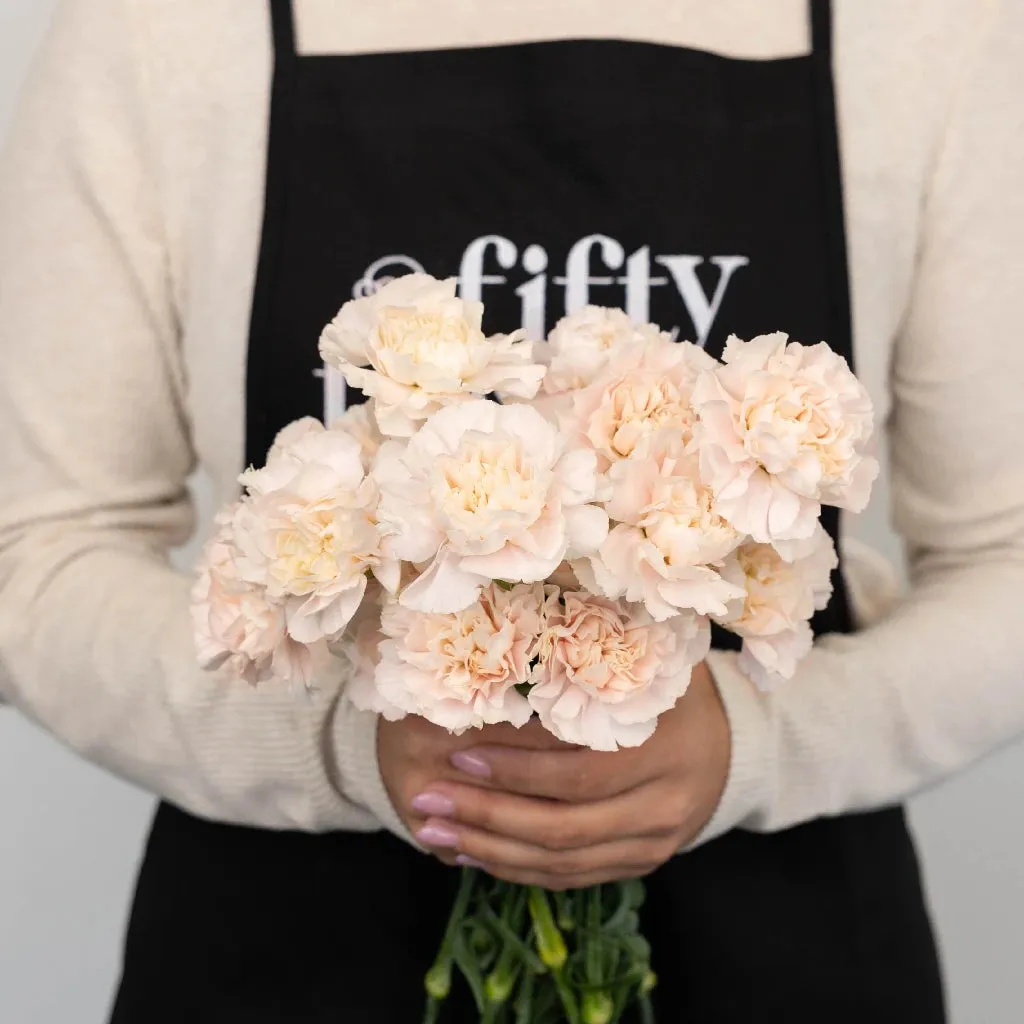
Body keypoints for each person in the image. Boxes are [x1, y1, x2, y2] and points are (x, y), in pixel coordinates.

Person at [1, 0, 1022, 1020]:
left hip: (789, 960)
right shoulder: (160, 29)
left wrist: (753, 743)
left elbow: (1005, 555)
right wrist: (346, 746)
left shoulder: (923, 30)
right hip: (283, 961)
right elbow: (34, 552)